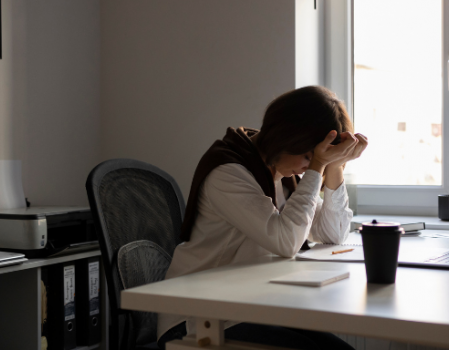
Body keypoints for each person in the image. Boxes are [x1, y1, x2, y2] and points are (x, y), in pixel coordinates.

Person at [157, 86, 368, 350]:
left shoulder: (285, 174)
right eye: (307, 156)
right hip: (198, 318)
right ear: (287, 137)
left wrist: (334, 165)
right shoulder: (228, 172)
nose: (308, 165)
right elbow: (286, 241)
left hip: (249, 307)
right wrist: (317, 168)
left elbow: (332, 234)